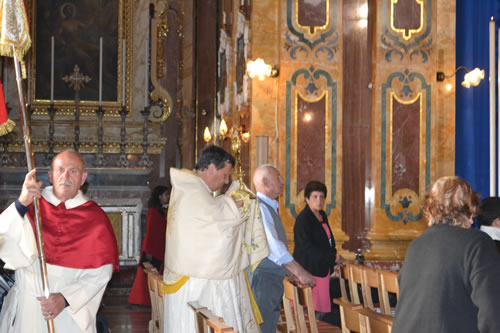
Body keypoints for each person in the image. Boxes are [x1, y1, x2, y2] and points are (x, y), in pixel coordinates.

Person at [0, 150, 119, 333]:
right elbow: (2, 238)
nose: (66, 176)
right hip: (27, 311)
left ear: (83, 178)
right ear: (50, 176)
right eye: (60, 170)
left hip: (67, 316)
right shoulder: (30, 206)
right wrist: (21, 204)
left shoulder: (96, 219)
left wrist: (65, 298)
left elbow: (101, 273)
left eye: (73, 171)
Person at [163, 145, 260, 333]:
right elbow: (217, 224)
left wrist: (231, 204)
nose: (226, 181)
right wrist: (240, 205)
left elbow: (212, 215)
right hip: (197, 281)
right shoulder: (193, 191)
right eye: (225, 174)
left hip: (190, 274)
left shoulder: (191, 189)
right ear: (212, 168)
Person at [392, 176, 500, 333]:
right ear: (467, 211)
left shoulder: (416, 244)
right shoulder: (477, 243)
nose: (472, 222)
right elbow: (491, 313)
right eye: (471, 214)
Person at [251, 165, 316, 333]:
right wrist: (299, 272)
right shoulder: (260, 207)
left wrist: (291, 272)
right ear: (265, 182)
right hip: (263, 281)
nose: (282, 181)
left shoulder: (267, 206)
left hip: (270, 280)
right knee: (262, 328)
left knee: (269, 325)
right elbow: (273, 247)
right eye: (278, 177)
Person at [293, 181, 344, 325]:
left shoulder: (322, 215)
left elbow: (327, 241)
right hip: (311, 271)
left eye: (322, 197)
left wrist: (334, 257)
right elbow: (306, 248)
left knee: (322, 313)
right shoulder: (303, 220)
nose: (319, 200)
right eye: (314, 197)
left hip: (322, 270)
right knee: (313, 316)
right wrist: (332, 257)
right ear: (307, 199)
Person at [128, 185, 170, 306]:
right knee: (149, 275)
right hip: (153, 248)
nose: (168, 197)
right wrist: (149, 251)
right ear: (159, 196)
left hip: (157, 247)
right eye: (166, 195)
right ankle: (143, 300)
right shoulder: (154, 211)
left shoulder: (159, 210)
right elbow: (151, 232)